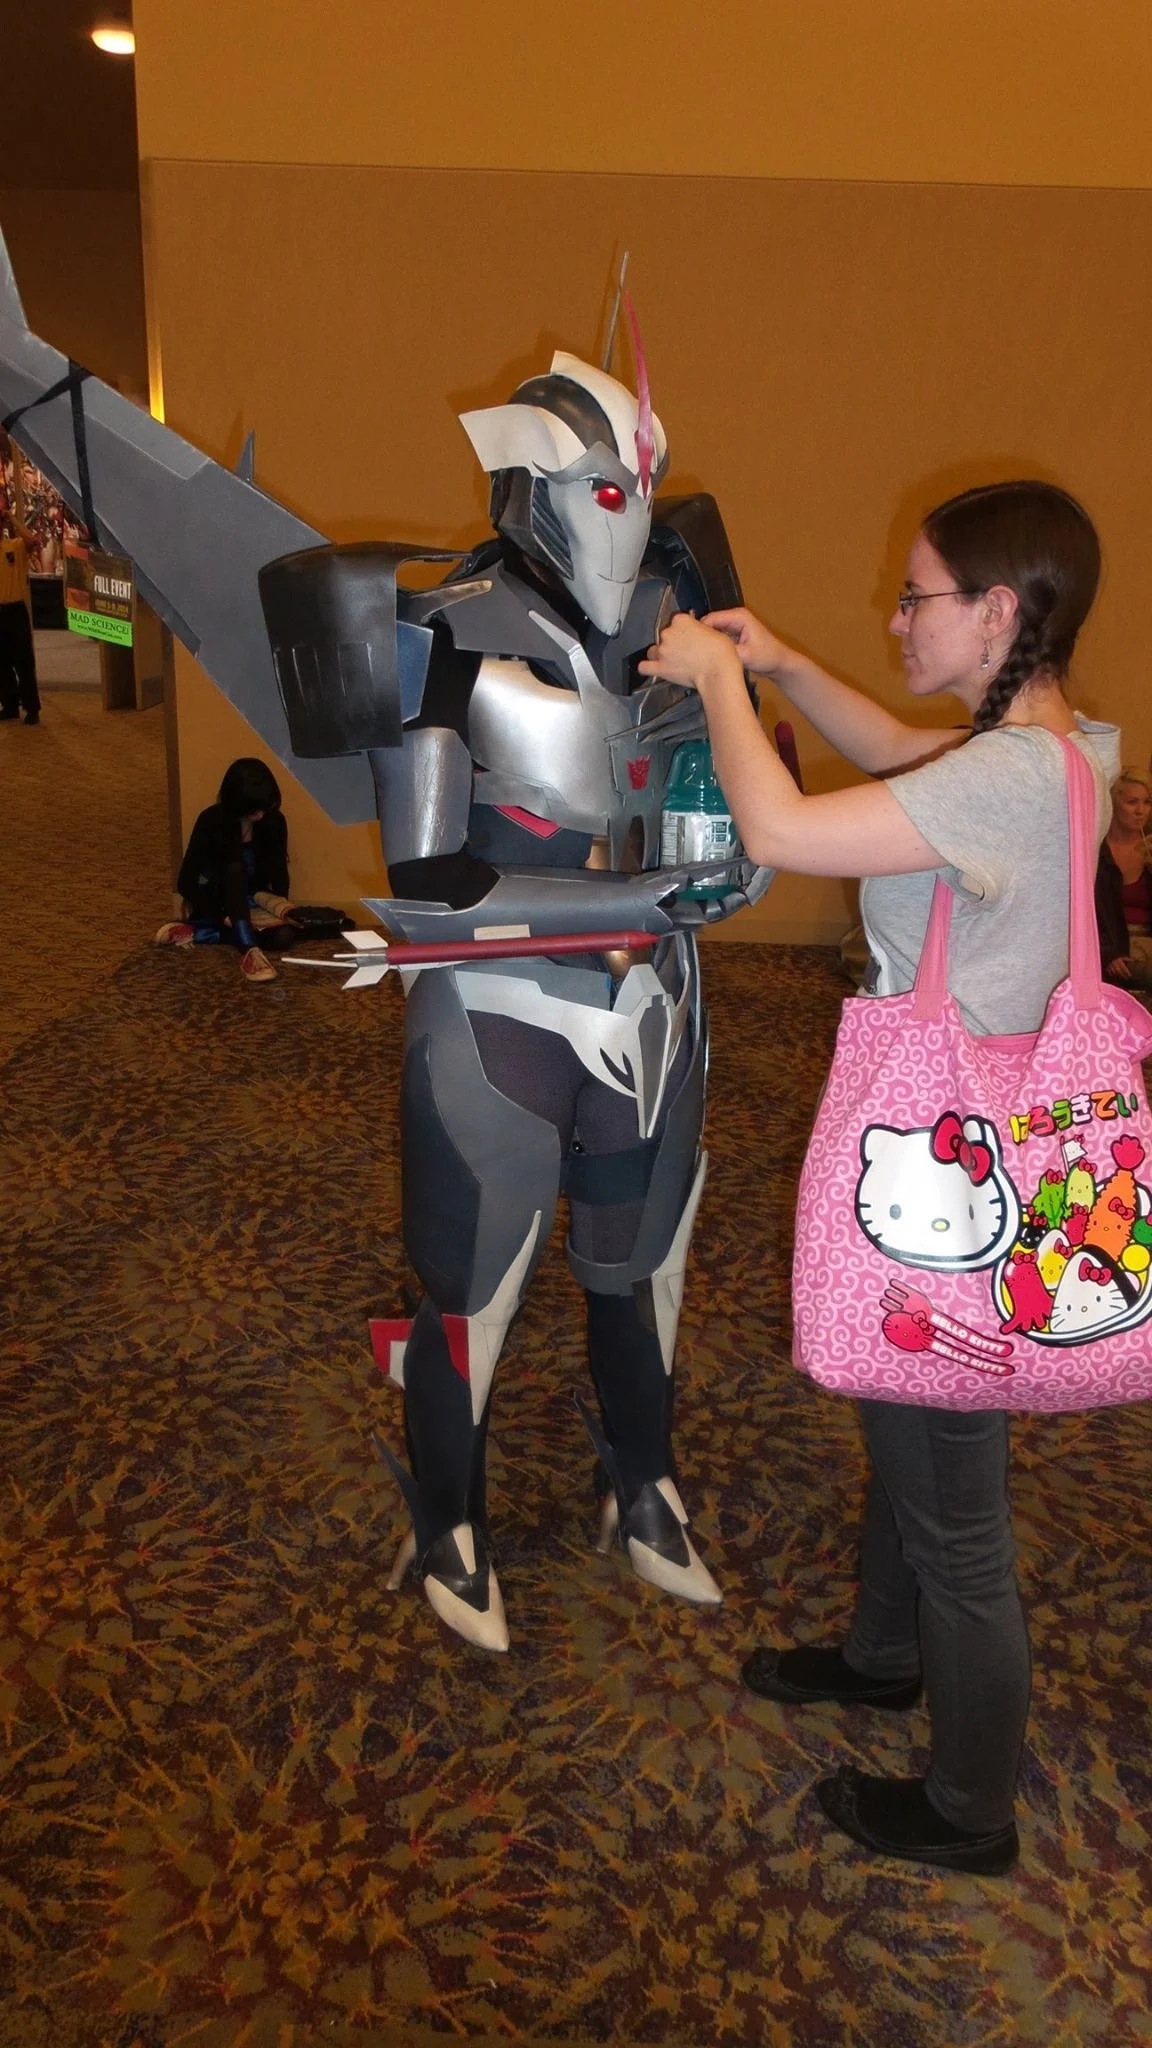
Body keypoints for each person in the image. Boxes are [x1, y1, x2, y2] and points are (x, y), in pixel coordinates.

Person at [639, 479, 1118, 1876]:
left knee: (959, 1516)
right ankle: (881, 1653)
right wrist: (785, 662)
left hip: (948, 1166)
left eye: (918, 597)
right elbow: (911, 750)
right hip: (977, 1157)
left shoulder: (1012, 778)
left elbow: (782, 831)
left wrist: (724, 678)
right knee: (908, 1433)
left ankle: (969, 1808)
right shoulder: (1062, 748)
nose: (897, 616)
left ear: (999, 612)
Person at [157, 757, 295, 983]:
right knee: (234, 869)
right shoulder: (211, 821)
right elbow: (187, 882)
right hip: (220, 904)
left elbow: (279, 872)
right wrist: (223, 915)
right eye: (254, 810)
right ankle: (250, 951)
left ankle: (204, 934)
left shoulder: (274, 821)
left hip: (254, 905)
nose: (260, 815)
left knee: (284, 936)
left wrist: (281, 909)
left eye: (264, 808)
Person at [1095, 768, 1152, 992]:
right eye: (1132, 802)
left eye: (1147, 802)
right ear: (1114, 805)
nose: (1141, 811)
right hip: (1110, 948)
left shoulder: (1149, 847)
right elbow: (1083, 910)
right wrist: (1108, 952)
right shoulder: (1097, 852)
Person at [0, 502, 41, 725]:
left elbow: (33, 541)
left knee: (24, 662)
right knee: (1, 664)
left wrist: (12, 518)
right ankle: (10, 705)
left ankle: (32, 708)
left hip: (15, 611)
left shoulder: (14, 546)